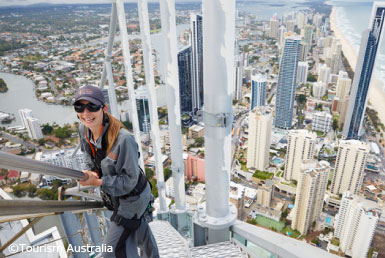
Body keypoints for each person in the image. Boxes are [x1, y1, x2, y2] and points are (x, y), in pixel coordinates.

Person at [74, 85, 159, 258]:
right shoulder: (84, 130)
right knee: (138, 227)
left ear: (103, 108)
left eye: (92, 106)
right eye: (80, 107)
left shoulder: (124, 139)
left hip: (133, 197)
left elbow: (129, 181)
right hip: (117, 196)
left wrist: (98, 182)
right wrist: (91, 172)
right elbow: (87, 156)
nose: (86, 112)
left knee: (111, 251)